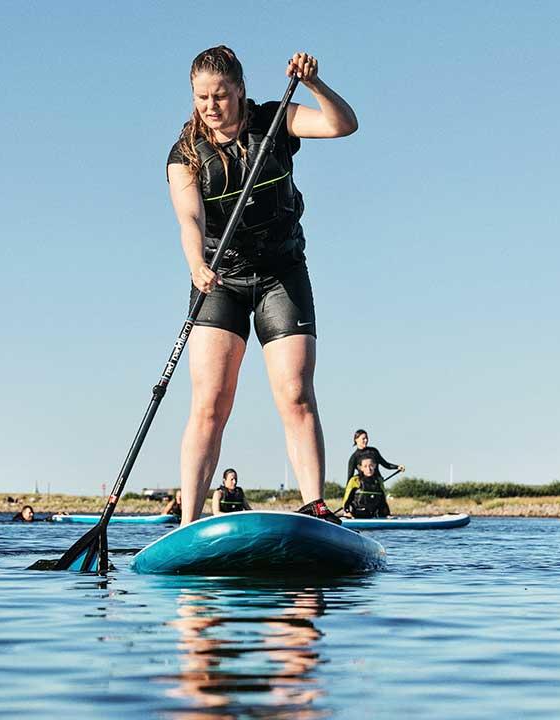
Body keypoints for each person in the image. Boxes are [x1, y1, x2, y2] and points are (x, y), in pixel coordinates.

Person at [167, 46, 358, 525]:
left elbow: (342, 124)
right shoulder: (185, 153)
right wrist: (195, 262)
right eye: (202, 97)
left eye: (221, 95)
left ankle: (315, 505)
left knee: (295, 391)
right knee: (210, 401)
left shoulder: (275, 119)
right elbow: (189, 217)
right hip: (219, 279)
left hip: (281, 274)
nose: (211, 106)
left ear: (240, 90)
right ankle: (189, 520)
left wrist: (314, 83)